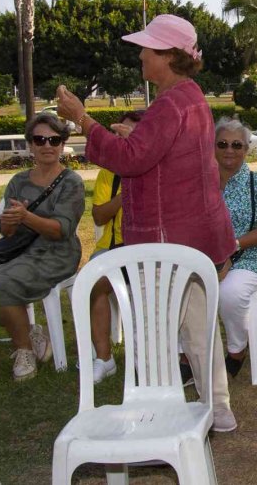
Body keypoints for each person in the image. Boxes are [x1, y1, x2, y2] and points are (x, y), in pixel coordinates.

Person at [55, 14, 238, 433]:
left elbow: (129, 160)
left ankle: (155, 419)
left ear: (168, 56)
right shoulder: (189, 97)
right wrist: (130, 135)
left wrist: (83, 118)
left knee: (154, 338)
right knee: (198, 328)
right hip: (195, 241)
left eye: (146, 48)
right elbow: (153, 153)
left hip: (166, 246)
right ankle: (219, 408)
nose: (139, 54)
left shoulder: (171, 102)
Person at [0, 114, 84, 381]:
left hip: (56, 253)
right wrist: (11, 223)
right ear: (31, 145)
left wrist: (26, 217)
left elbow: (61, 230)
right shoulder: (19, 181)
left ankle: (24, 350)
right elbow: (7, 231)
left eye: (54, 140)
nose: (47, 145)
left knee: (1, 284)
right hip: (19, 251)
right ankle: (30, 330)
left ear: (62, 145)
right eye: (40, 139)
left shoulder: (71, 182)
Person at [87, 110, 143, 384]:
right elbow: (99, 216)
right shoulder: (109, 173)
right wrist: (126, 192)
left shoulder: (156, 168)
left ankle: (150, 357)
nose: (125, 137)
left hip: (148, 248)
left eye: (132, 133)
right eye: (121, 131)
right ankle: (104, 358)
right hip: (115, 248)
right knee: (95, 283)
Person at [214, 116, 257, 377]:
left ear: (247, 150)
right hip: (207, 254)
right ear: (212, 146)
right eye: (222, 143)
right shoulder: (199, 183)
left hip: (251, 255)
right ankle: (186, 355)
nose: (229, 150)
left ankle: (237, 349)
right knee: (182, 286)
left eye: (237, 145)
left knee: (230, 291)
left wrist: (232, 247)